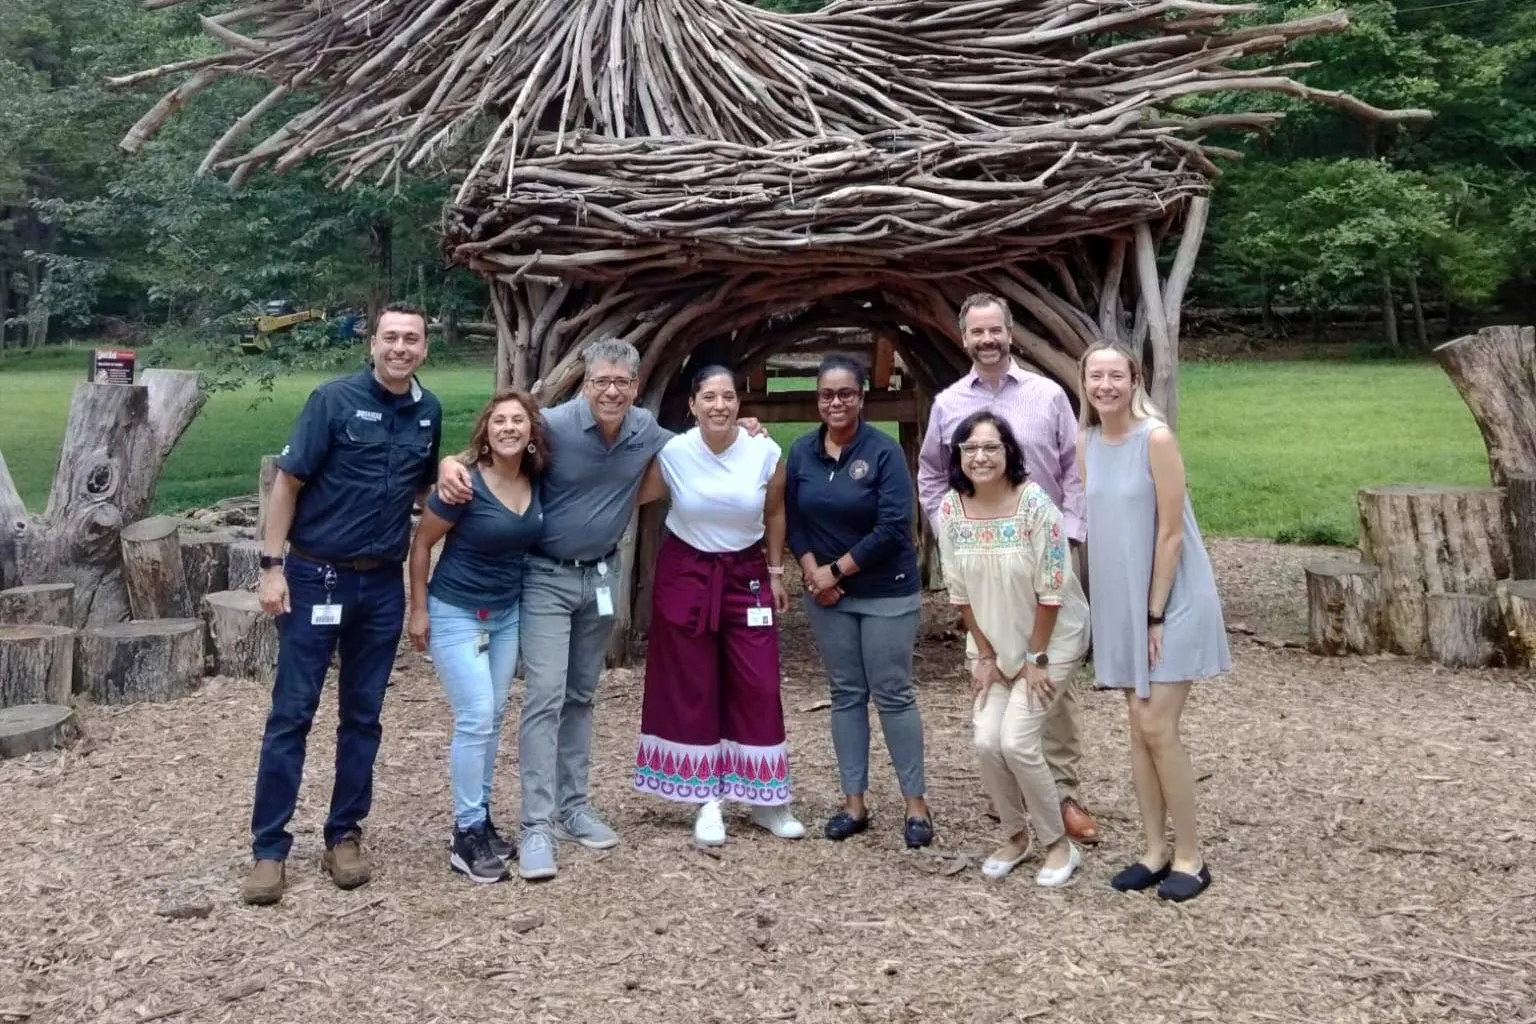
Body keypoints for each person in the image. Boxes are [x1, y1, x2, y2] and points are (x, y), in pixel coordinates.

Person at [435, 339, 766, 880]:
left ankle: (573, 807)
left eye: (621, 382)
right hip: (546, 576)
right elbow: (499, 443)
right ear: (585, 383)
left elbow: (703, 440)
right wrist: (453, 460)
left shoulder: (646, 432)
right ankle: (536, 824)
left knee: (581, 695)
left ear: (635, 387)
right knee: (544, 697)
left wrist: (745, 427)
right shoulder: (555, 425)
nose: (610, 391)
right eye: (600, 381)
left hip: (602, 576)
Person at [244, 303, 442, 906]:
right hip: (314, 579)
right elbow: (288, 483)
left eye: (411, 339)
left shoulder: (427, 413)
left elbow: (427, 489)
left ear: (424, 349)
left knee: (363, 717)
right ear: (373, 344)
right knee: (292, 715)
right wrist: (272, 568)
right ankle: (269, 849)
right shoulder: (331, 401)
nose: (400, 348)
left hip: (379, 587)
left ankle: (344, 834)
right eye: (390, 338)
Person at [916, 291, 1099, 846]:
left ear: (1011, 332)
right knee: (997, 667)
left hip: (1044, 556)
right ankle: (1016, 797)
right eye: (977, 333)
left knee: (1053, 681)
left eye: (995, 330)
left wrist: (1067, 534)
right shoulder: (949, 404)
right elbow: (929, 473)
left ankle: (1062, 793)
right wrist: (952, 530)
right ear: (963, 337)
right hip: (987, 559)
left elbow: (1074, 470)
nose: (987, 340)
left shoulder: (1047, 395)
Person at [1078, 341, 1230, 902]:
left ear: (1134, 378)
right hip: (1124, 602)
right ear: (1086, 383)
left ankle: (1191, 855)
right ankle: (1152, 850)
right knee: (1137, 730)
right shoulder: (1088, 442)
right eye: (1097, 376)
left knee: (1158, 727)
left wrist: (1155, 614)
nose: (1106, 386)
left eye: (1116, 375)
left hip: (1172, 598)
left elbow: (1170, 532)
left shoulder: (1156, 439)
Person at [631, 365, 804, 846]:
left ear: (739, 403)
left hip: (745, 575)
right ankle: (707, 799)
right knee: (695, 682)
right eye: (709, 397)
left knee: (759, 680)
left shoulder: (765, 451)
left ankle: (768, 799)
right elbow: (626, 492)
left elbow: (774, 512)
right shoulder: (673, 453)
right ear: (692, 405)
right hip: (686, 574)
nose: (720, 406)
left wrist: (774, 571)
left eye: (728, 396)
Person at [786, 354, 933, 848]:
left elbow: (894, 525)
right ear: (818, 399)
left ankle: (915, 803)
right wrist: (810, 570)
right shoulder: (804, 453)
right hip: (827, 596)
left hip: (885, 590)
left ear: (862, 396)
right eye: (827, 394)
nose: (836, 402)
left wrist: (836, 570)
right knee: (846, 692)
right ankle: (854, 801)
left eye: (846, 393)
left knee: (892, 692)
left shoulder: (885, 452)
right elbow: (795, 518)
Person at [936, 412, 1088, 886]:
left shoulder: (1036, 506)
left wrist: (1033, 658)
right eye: (970, 449)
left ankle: (1058, 846)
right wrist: (984, 655)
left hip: (1050, 640)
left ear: (1009, 453)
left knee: (1018, 741)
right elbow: (958, 592)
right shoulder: (951, 511)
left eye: (991, 447)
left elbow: (1051, 591)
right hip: (993, 640)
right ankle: (1015, 835)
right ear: (959, 457)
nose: (980, 457)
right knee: (986, 740)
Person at [407, 389, 547, 884]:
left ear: (532, 432)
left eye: (518, 421)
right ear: (485, 431)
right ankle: (466, 834)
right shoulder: (463, 485)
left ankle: (482, 821)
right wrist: (419, 610)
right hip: (456, 611)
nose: (509, 428)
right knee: (475, 716)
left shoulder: (535, 480)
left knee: (494, 715)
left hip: (505, 614)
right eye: (499, 421)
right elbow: (422, 544)